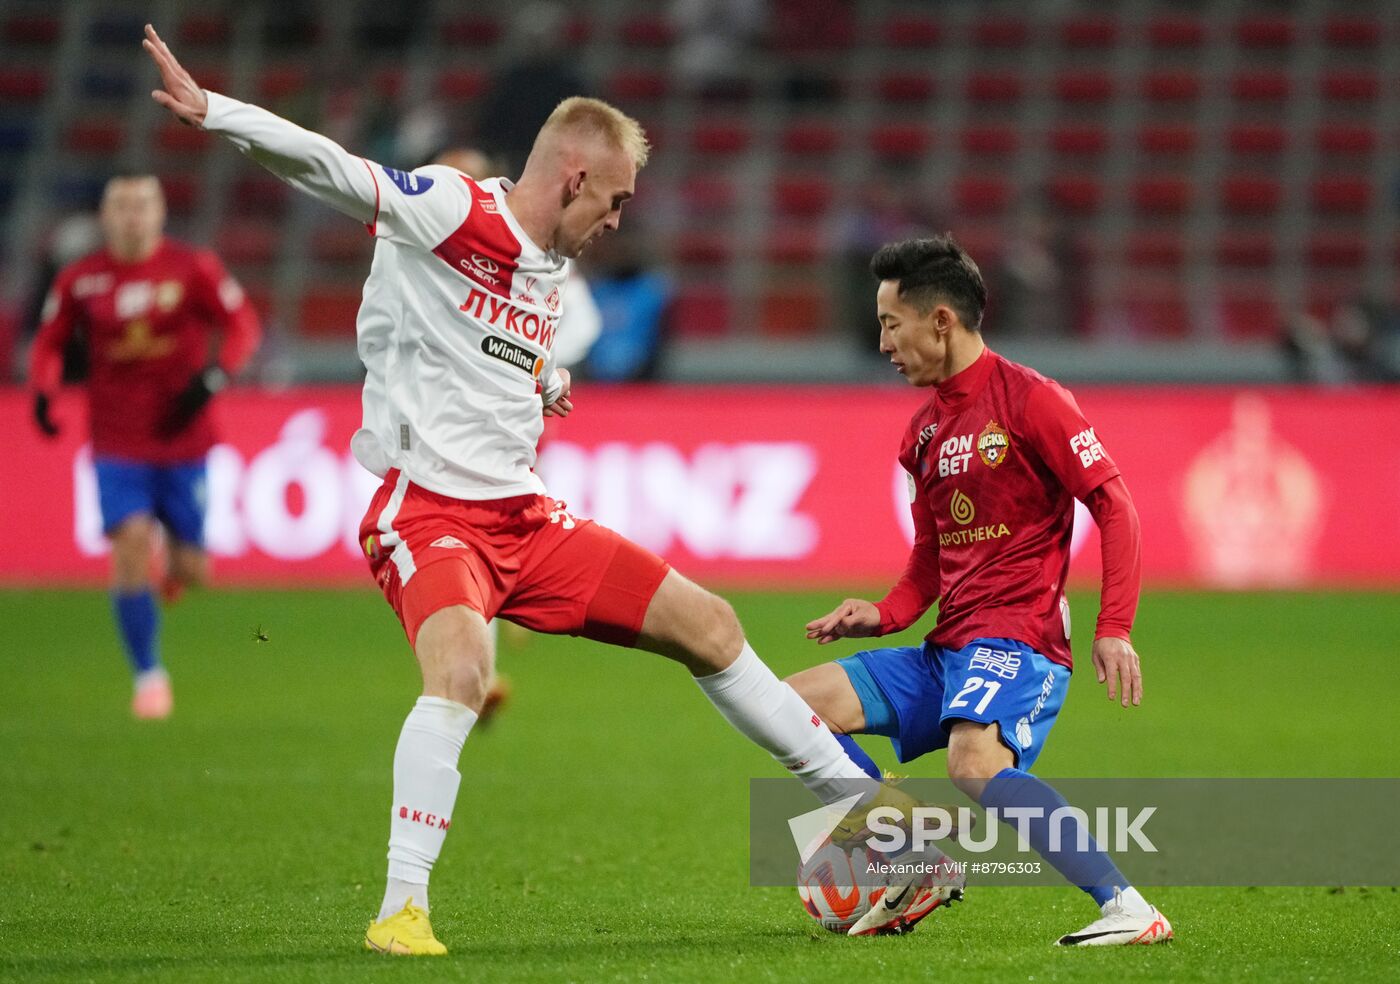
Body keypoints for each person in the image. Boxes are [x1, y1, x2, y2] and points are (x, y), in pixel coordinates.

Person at [141, 24, 916, 956]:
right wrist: (215, 111)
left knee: (710, 626)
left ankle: (876, 822)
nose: (622, 220)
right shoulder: (451, 207)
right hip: (427, 512)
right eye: (618, 199)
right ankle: (401, 908)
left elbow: (496, 342)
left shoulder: (551, 270)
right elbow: (335, 169)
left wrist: (540, 377)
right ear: (577, 179)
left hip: (527, 517)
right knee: (463, 675)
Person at [787, 236, 1174, 945]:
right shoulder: (924, 432)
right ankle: (906, 854)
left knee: (975, 763)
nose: (881, 343)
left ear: (941, 320)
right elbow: (929, 564)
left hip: (1016, 640)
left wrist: (1113, 624)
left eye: (889, 324)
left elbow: (1115, 505)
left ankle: (1129, 908)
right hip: (948, 650)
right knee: (789, 707)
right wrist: (877, 614)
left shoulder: (1033, 401)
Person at [27, 172, 262, 720]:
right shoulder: (81, 280)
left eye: (142, 205)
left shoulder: (193, 267)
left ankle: (173, 574)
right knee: (130, 543)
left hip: (185, 440)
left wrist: (216, 376)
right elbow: (48, 342)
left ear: (160, 212)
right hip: (116, 443)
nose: (132, 215)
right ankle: (149, 676)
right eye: (121, 205)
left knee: (193, 570)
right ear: (104, 216)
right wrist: (43, 391)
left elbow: (242, 325)